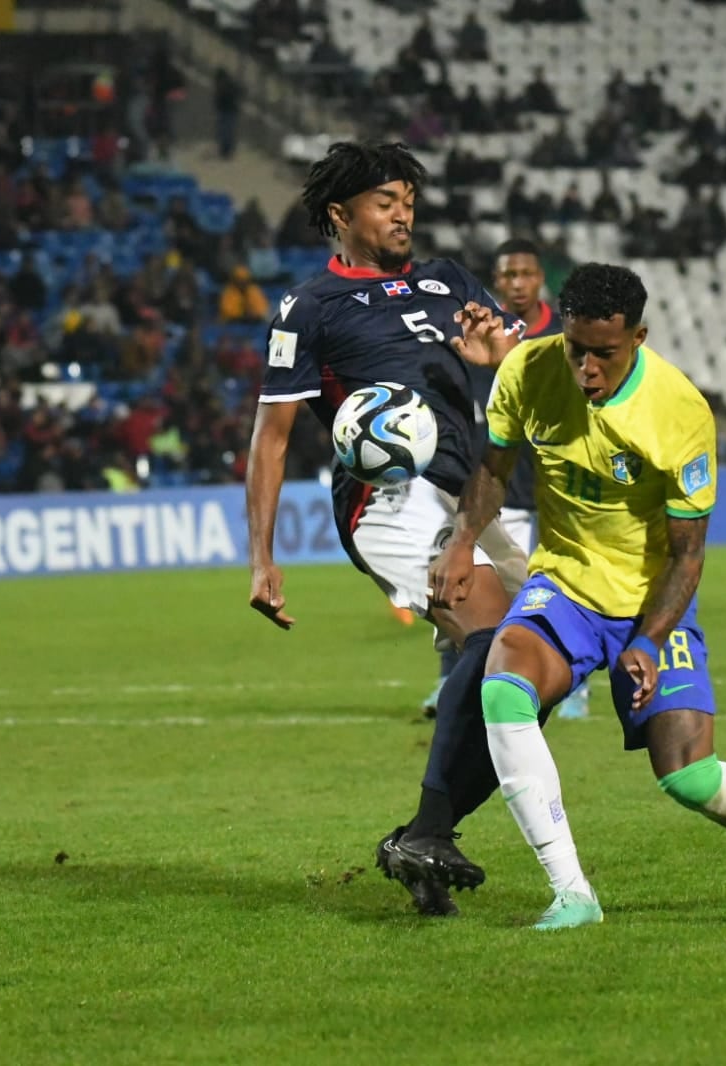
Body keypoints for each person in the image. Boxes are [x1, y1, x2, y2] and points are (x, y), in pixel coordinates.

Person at [429, 264, 726, 929]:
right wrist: (461, 540)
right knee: (501, 686)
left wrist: (649, 640)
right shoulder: (527, 372)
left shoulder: (677, 411)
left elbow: (687, 556)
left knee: (687, 776)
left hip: (650, 598)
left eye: (604, 354)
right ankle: (571, 892)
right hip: (563, 585)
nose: (586, 369)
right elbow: (492, 468)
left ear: (638, 337)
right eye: (575, 350)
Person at [244, 141, 534, 917]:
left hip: (475, 496)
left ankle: (422, 841)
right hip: (389, 500)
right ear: (341, 216)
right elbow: (270, 439)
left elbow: (526, 372)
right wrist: (262, 558)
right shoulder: (308, 310)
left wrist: (495, 358)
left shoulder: (451, 281)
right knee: (495, 638)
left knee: (537, 673)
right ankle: (431, 830)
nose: (402, 212)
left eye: (407, 198)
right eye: (384, 201)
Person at [419, 238, 591, 720]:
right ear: (496, 281)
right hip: (505, 484)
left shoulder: (564, 337)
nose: (516, 283)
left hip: (561, 478)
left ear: (540, 280)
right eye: (508, 275)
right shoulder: (480, 334)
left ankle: (572, 681)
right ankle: (453, 679)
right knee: (485, 580)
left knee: (571, 585)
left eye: (525, 274)